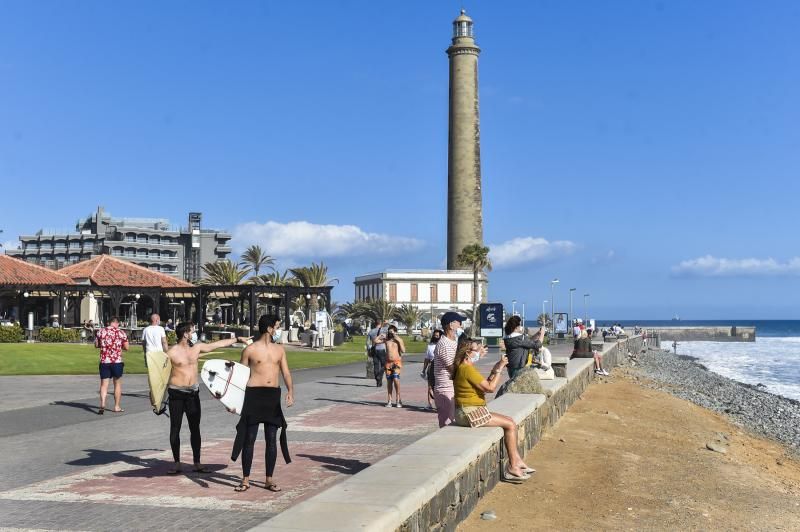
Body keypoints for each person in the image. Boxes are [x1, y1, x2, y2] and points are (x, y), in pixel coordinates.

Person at [165, 322, 249, 475]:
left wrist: (237, 339)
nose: (194, 333)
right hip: (176, 394)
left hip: (192, 394)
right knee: (175, 428)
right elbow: (159, 375)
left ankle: (197, 462)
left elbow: (216, 345)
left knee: (195, 428)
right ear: (185, 334)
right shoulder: (171, 352)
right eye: (192, 331)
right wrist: (156, 398)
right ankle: (177, 463)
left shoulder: (195, 348)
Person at [452, 339, 534, 481]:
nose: (480, 352)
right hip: (468, 413)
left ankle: (517, 461)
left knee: (509, 421)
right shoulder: (467, 369)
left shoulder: (464, 367)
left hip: (470, 410)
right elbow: (490, 388)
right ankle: (513, 466)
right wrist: (500, 368)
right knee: (510, 424)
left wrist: (496, 368)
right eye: (477, 350)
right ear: (468, 352)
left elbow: (483, 384)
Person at [231, 315, 294, 493]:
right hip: (253, 395)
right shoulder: (250, 350)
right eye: (277, 327)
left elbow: (286, 373)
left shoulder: (279, 350)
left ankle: (269, 479)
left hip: (272, 396)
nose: (278, 330)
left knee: (271, 439)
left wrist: (290, 392)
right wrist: (233, 401)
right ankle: (245, 479)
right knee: (249, 439)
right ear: (269, 329)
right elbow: (239, 377)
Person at [433, 312, 464, 427]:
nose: (461, 325)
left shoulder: (453, 342)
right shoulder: (444, 344)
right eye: (459, 322)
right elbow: (452, 368)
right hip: (445, 389)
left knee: (453, 420)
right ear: (451, 325)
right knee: (447, 423)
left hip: (452, 387)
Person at [94, 316, 129, 414]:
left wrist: (105, 345)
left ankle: (102, 404)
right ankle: (116, 406)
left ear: (109, 322)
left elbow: (96, 345)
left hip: (105, 361)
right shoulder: (121, 333)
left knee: (104, 385)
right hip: (116, 361)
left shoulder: (101, 331)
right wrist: (118, 345)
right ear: (117, 323)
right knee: (117, 384)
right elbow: (127, 347)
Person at [375, 324, 405, 407]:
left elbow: (403, 350)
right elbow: (376, 341)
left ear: (395, 332)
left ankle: (398, 400)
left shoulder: (399, 340)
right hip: (388, 363)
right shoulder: (387, 340)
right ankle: (389, 401)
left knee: (396, 379)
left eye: (392, 331)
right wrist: (380, 336)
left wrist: (397, 340)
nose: (390, 333)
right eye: (389, 331)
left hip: (396, 362)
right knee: (389, 382)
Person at [422, 329, 442, 410]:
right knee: (430, 386)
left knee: (438, 386)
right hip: (431, 367)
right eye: (435, 335)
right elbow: (427, 359)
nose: (436, 337)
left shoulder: (442, 345)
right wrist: (424, 369)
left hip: (439, 368)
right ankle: (429, 403)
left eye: (438, 336)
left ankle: (439, 404)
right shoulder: (430, 345)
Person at [367, 319, 388, 387]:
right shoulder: (384, 330)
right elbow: (393, 328)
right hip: (382, 349)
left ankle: (378, 382)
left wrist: (369, 350)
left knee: (376, 365)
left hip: (374, 349)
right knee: (384, 364)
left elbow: (368, 343)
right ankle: (379, 375)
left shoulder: (371, 331)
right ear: (380, 323)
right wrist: (387, 323)